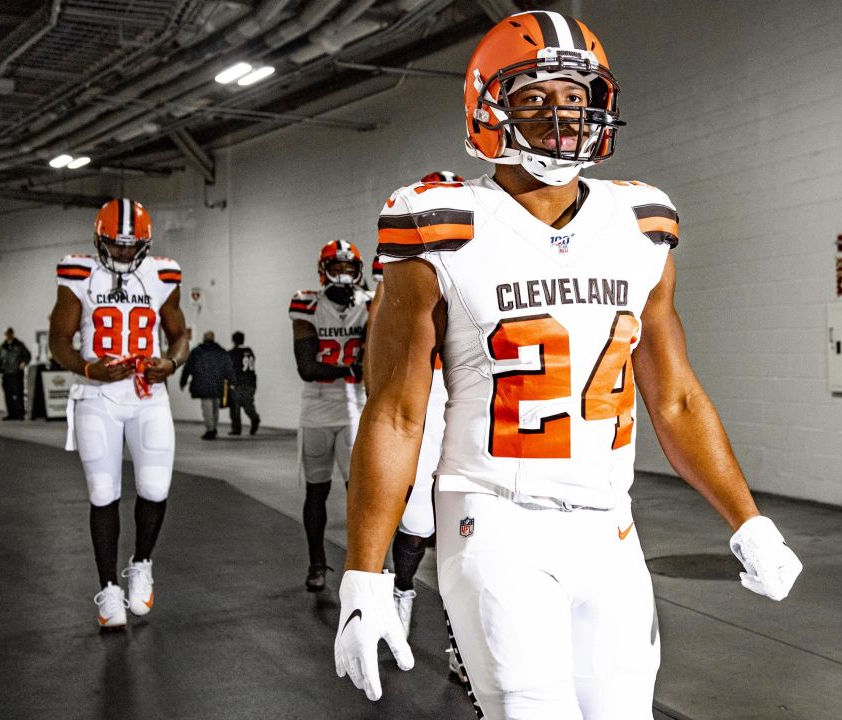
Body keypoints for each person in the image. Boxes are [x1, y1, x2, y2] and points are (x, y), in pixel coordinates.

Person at [334, 11, 803, 716]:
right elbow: (398, 415)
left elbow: (672, 397)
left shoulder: (642, 223)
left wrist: (746, 518)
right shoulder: (442, 223)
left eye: (576, 100)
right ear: (489, 108)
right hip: (494, 519)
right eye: (536, 99)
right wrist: (364, 572)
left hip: (610, 527)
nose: (562, 119)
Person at [47, 197, 189, 628]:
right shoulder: (77, 272)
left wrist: (172, 361)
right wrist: (89, 368)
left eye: (132, 245)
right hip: (97, 396)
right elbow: (59, 341)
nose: (125, 252)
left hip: (148, 394)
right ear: (99, 238)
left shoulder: (163, 273)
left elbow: (180, 332)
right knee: (103, 492)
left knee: (155, 487)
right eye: (117, 243)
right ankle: (108, 590)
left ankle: (141, 563)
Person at [366, 173, 462, 677]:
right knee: (422, 521)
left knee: (474, 526)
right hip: (427, 397)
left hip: (481, 402)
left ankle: (463, 638)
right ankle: (402, 588)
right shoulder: (398, 276)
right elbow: (380, 366)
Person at [290, 239, 373, 592]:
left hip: (355, 406)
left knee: (361, 492)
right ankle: (317, 563)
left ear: (359, 271)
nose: (342, 275)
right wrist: (353, 365)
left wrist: (344, 367)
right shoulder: (306, 303)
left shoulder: (370, 304)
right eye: (335, 268)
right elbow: (307, 368)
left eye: (348, 268)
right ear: (323, 271)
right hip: (318, 408)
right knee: (316, 490)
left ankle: (362, 564)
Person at [180, 331, 235, 440]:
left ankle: (210, 430)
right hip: (218, 383)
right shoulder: (221, 351)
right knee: (215, 406)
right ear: (213, 339)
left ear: (204, 338)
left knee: (207, 408)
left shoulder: (197, 351)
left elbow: (188, 368)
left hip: (202, 384)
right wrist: (232, 381)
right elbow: (228, 367)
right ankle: (213, 427)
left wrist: (183, 381)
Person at [228, 331, 261, 436]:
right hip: (251, 382)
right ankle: (254, 418)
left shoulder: (232, 353)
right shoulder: (249, 351)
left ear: (233, 341)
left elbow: (231, 369)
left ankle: (236, 429)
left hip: (239, 383)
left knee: (235, 406)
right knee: (248, 404)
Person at [0, 327, 32, 420]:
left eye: (10, 333)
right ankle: (11, 414)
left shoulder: (19, 345)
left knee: (18, 394)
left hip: (16, 374)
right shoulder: (2, 347)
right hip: (6, 374)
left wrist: (24, 363)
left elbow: (27, 355)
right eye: (7, 333)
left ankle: (20, 414)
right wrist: (0, 370)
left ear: (13, 334)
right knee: (8, 395)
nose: (9, 335)